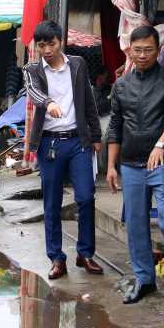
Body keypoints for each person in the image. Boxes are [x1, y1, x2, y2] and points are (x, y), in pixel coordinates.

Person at [106, 25, 164, 304]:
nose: (142, 55)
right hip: (131, 165)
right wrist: (111, 166)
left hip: (163, 163)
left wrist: (160, 145)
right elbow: (115, 127)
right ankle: (144, 280)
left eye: (148, 50)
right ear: (129, 51)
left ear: (158, 50)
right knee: (136, 223)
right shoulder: (121, 86)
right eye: (137, 50)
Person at [25, 20, 103, 280]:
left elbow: (88, 101)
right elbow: (33, 92)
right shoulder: (32, 69)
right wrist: (48, 103)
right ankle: (57, 258)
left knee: (86, 197)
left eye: (51, 44)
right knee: (52, 202)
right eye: (41, 45)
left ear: (61, 41)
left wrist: (96, 135)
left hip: (78, 142)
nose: (47, 50)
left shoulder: (78, 64)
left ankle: (85, 253)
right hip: (50, 144)